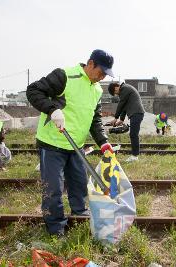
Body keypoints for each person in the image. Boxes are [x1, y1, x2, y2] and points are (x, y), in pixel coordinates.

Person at [26, 49, 115, 236]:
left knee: (79, 185)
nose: (102, 78)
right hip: (52, 143)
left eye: (105, 75)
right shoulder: (65, 76)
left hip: (77, 146)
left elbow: (95, 120)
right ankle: (56, 229)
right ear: (90, 64)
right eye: (101, 72)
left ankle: (79, 216)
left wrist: (103, 141)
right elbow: (33, 90)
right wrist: (52, 109)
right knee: (53, 190)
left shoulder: (97, 90)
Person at [108, 82, 145, 162]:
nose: (116, 94)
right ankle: (135, 155)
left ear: (116, 87)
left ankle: (135, 156)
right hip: (135, 113)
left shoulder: (125, 89)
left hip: (137, 113)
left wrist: (116, 118)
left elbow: (121, 104)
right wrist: (121, 120)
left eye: (115, 92)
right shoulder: (125, 89)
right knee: (133, 134)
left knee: (133, 134)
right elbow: (124, 106)